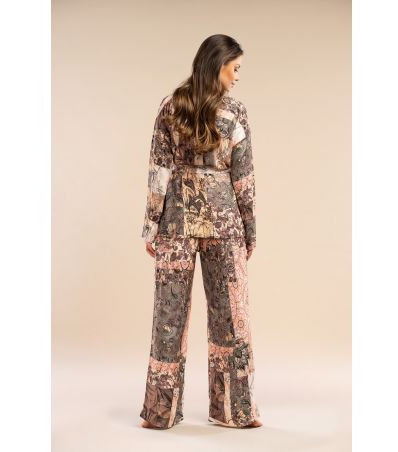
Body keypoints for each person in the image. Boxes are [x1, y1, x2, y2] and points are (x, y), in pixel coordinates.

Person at [139, 34, 262, 429]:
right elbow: (243, 178)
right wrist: (250, 230)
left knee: (169, 315)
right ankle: (232, 411)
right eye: (235, 68)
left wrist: (151, 226)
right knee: (230, 315)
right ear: (217, 64)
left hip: (176, 220)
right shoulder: (235, 113)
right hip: (225, 223)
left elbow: (159, 171)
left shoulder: (171, 106)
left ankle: (160, 414)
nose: (237, 76)